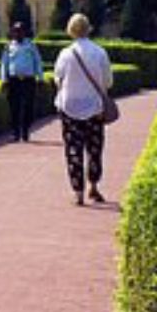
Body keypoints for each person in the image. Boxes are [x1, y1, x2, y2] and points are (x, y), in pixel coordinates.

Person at [53, 13, 113, 206]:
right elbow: (108, 81)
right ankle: (93, 186)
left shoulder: (65, 54)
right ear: (89, 29)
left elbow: (58, 79)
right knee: (94, 148)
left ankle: (78, 192)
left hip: (69, 107)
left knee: (73, 150)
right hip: (94, 107)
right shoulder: (100, 52)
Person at [0, 22, 44, 142]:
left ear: (24, 32)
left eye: (20, 31)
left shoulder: (31, 45)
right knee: (14, 107)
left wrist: (40, 78)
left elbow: (37, 61)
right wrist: (3, 79)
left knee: (28, 106)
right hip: (14, 80)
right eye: (15, 31)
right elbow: (4, 63)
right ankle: (16, 132)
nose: (18, 33)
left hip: (28, 80)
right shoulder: (8, 46)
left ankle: (25, 130)